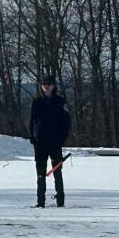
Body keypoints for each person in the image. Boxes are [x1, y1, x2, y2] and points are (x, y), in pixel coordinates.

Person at [29, 74, 71, 208]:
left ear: (53, 86)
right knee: (40, 174)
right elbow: (32, 121)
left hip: (55, 143)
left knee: (57, 172)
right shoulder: (36, 101)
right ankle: (40, 202)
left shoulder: (60, 102)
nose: (46, 87)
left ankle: (60, 201)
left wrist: (61, 140)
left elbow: (66, 123)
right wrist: (32, 137)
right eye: (44, 85)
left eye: (49, 85)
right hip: (40, 143)